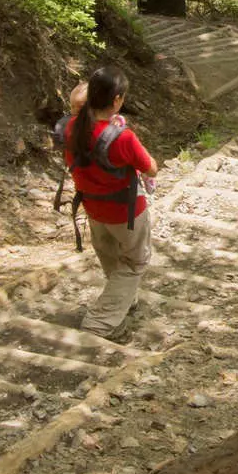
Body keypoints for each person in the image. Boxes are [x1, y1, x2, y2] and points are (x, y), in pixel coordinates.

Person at [65, 65, 159, 339]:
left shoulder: (71, 127)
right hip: (126, 211)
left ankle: (122, 301)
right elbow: (150, 168)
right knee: (133, 262)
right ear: (116, 99)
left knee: (111, 256)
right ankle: (102, 322)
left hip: (92, 207)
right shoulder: (123, 137)